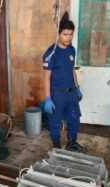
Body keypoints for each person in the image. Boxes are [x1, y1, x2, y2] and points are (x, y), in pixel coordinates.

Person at [42, 13, 87, 153]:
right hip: (57, 95)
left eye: (71, 34)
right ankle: (56, 148)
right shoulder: (51, 53)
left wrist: (77, 87)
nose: (68, 38)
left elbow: (72, 70)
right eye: (65, 34)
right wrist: (48, 98)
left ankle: (71, 142)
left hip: (71, 92)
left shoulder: (71, 49)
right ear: (59, 34)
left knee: (74, 119)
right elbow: (46, 77)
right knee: (55, 123)